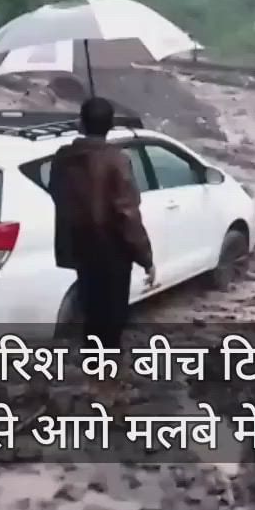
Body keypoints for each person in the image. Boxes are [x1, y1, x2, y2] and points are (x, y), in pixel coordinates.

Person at [48, 97, 155, 400]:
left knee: (91, 310)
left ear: (81, 123)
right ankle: (106, 383)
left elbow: (57, 192)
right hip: (112, 251)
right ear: (110, 126)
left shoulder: (63, 158)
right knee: (112, 315)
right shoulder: (116, 160)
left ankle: (92, 374)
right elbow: (127, 214)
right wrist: (145, 257)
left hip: (81, 246)